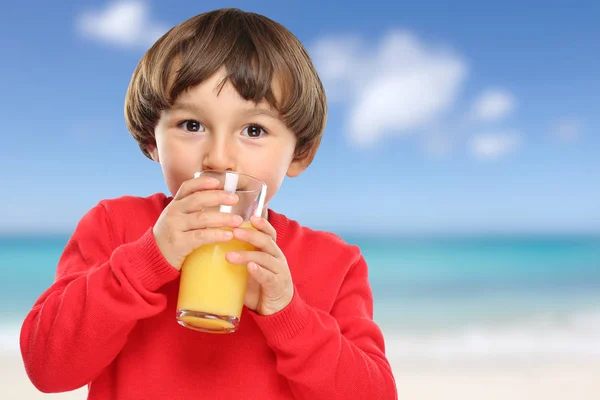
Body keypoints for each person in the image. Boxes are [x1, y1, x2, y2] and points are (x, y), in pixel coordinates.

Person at [20, 8, 397, 400]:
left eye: (254, 130)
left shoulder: (335, 264)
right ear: (153, 138)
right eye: (191, 125)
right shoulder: (114, 226)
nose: (219, 158)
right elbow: (47, 368)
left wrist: (288, 314)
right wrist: (146, 261)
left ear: (300, 153)